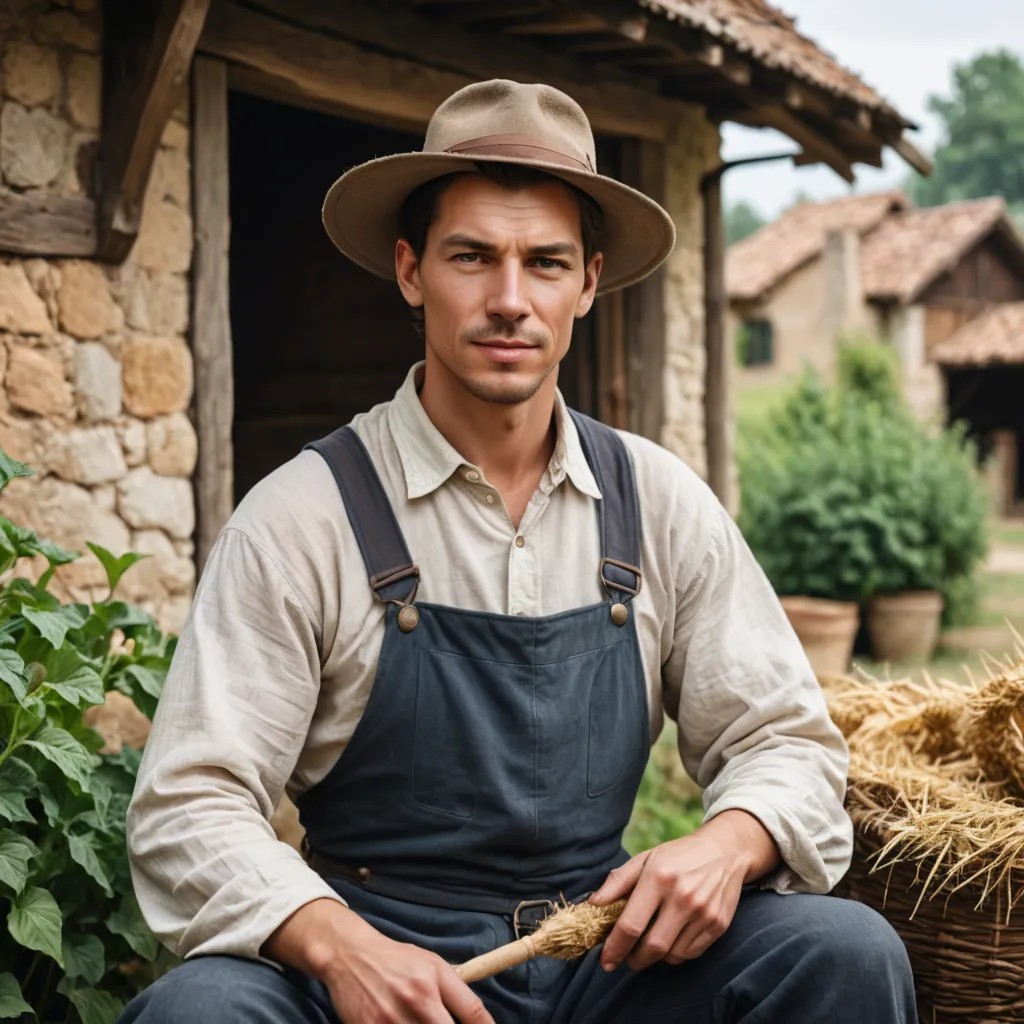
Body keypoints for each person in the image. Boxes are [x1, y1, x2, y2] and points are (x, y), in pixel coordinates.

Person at [119, 79, 917, 1024]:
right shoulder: (302, 515)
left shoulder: (656, 503)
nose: (509, 300)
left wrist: (732, 840)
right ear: (412, 271)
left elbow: (782, 738)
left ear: (587, 281)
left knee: (845, 954)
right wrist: (339, 947)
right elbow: (189, 802)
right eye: (472, 257)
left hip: (603, 962)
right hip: (371, 964)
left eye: (544, 263)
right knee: (197, 1016)